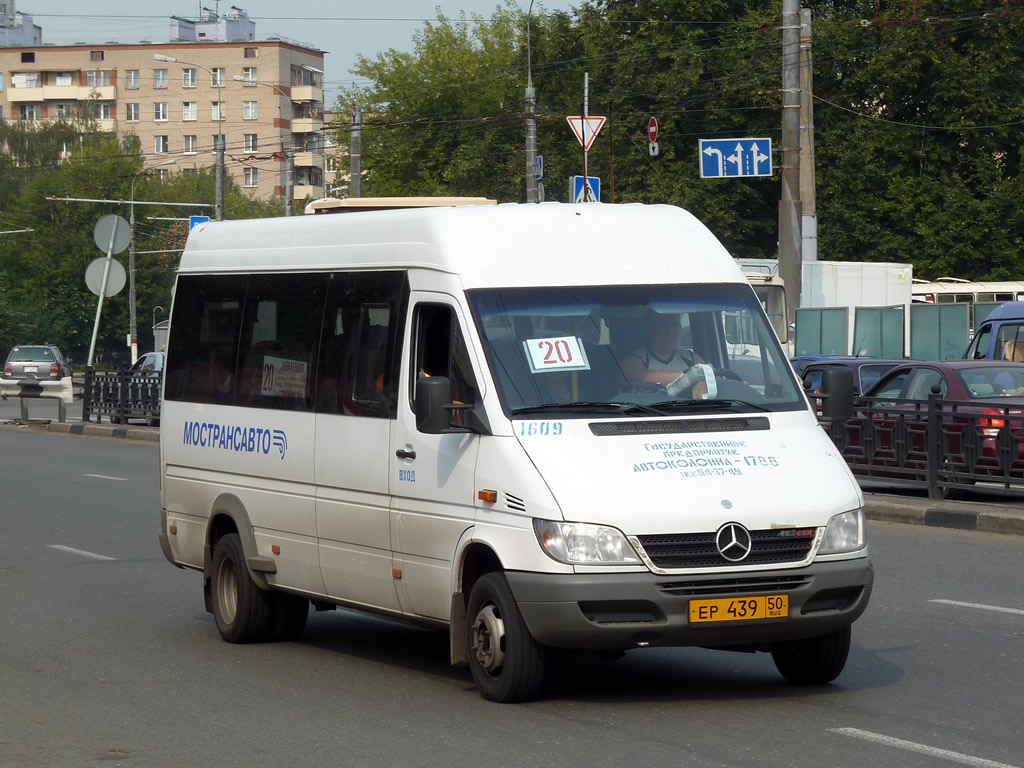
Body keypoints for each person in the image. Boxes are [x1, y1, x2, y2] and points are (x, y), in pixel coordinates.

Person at [621, 311, 713, 398]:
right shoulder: (634, 359)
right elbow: (641, 378)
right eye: (663, 325)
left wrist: (705, 374)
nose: (670, 331)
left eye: (675, 325)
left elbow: (715, 379)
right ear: (650, 328)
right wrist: (694, 375)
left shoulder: (690, 357)